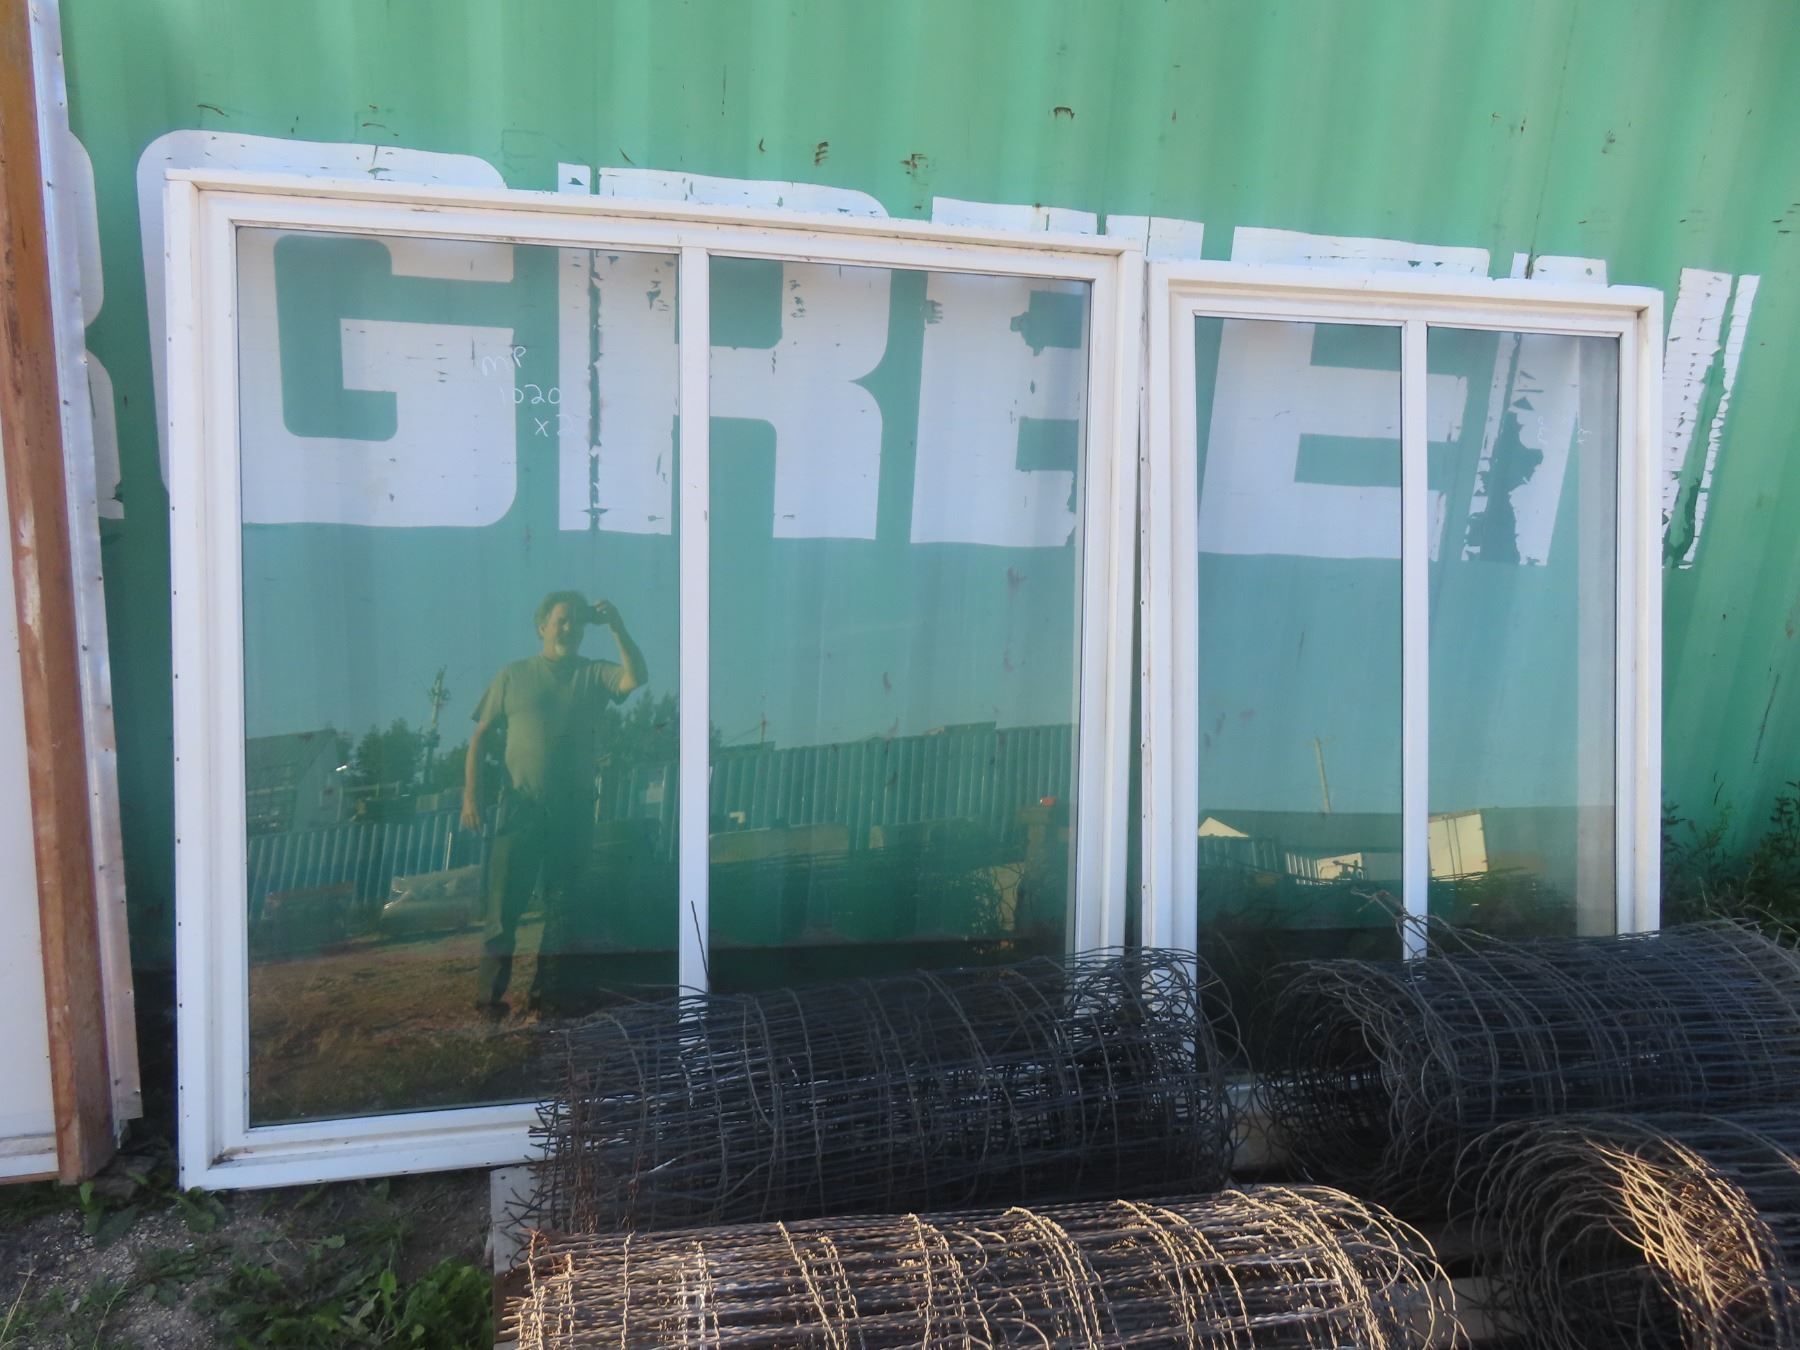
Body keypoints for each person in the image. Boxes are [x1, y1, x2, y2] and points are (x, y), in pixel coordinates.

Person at [463, 590, 646, 1018]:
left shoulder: (593, 673)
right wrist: (471, 795)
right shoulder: (513, 675)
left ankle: (547, 1001)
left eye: (577, 621)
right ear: (542, 626)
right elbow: (480, 737)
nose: (569, 628)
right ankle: (489, 1006)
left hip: (573, 812)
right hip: (520, 808)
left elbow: (635, 677)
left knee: (564, 909)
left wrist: (617, 625)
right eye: (561, 619)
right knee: (502, 912)